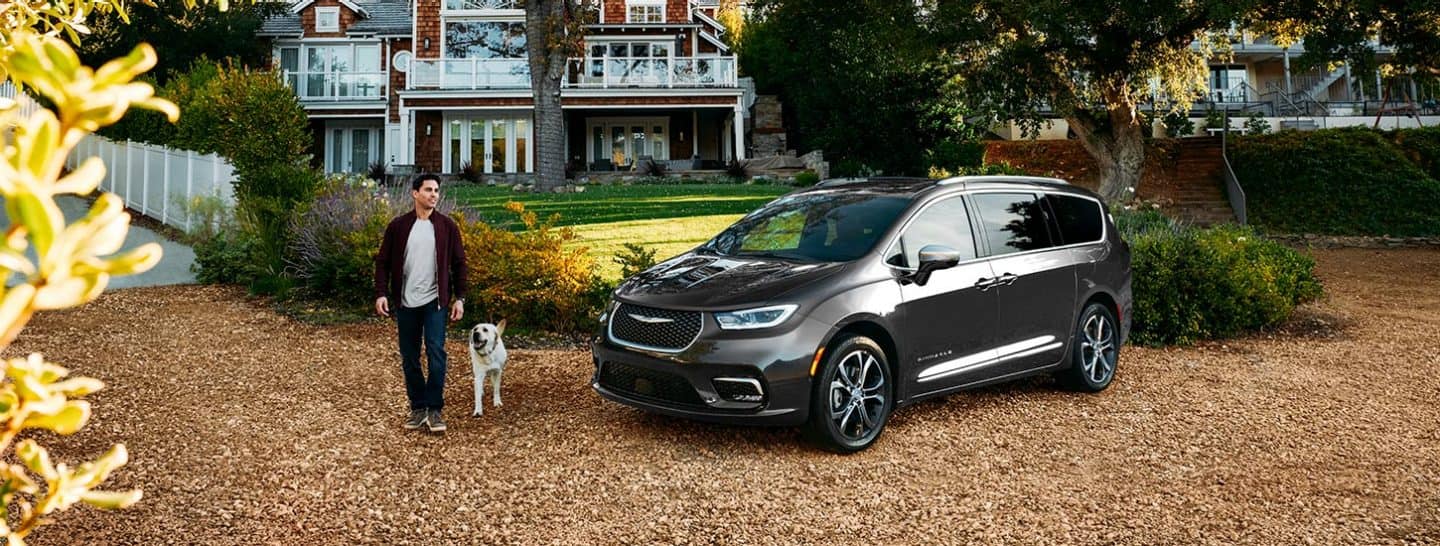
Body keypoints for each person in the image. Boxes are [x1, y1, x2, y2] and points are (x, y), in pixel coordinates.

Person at [374, 173, 466, 433]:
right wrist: (381, 293)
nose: (434, 194)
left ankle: (434, 410)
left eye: (436, 190)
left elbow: (459, 264)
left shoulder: (447, 227)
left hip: (435, 302)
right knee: (410, 357)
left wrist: (460, 298)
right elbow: (382, 262)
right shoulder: (399, 226)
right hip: (406, 303)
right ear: (415, 193)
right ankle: (418, 407)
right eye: (428, 190)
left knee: (436, 353)